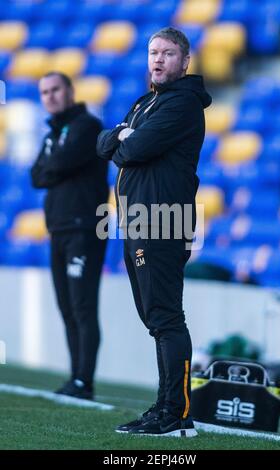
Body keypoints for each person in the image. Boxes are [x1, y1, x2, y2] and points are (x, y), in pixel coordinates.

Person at [97, 27, 212, 436]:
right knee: (157, 320)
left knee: (165, 318)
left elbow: (128, 149)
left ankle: (177, 413)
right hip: (140, 220)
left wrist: (124, 138)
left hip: (163, 220)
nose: (158, 59)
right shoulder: (148, 101)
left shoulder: (181, 105)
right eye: (152, 52)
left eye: (167, 53)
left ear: (185, 62)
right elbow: (104, 142)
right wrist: (121, 136)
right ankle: (165, 407)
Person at [31, 72, 109, 400]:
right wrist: (54, 166)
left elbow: (59, 163)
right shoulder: (53, 132)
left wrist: (54, 166)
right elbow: (36, 175)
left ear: (70, 91)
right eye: (44, 92)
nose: (49, 97)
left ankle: (84, 381)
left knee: (82, 306)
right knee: (66, 306)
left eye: (55, 90)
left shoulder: (87, 126)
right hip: (58, 230)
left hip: (84, 229)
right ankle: (75, 377)